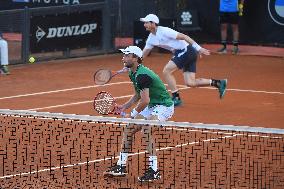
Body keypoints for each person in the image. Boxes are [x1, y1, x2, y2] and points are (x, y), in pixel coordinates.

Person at [103, 46, 174, 182]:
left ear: (135, 58)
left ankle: (154, 170)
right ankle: (121, 166)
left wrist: (132, 114)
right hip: (152, 104)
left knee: (146, 130)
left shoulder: (142, 75)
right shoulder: (132, 72)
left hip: (163, 106)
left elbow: (145, 100)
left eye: (126, 55)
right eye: (123, 55)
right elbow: (138, 94)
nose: (123, 58)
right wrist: (125, 106)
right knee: (129, 130)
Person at [140, 14, 227, 106]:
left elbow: (185, 37)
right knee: (190, 83)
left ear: (153, 23)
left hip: (186, 50)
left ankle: (176, 98)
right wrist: (131, 64)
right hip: (186, 53)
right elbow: (144, 54)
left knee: (167, 71)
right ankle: (218, 83)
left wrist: (199, 48)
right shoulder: (151, 38)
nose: (144, 24)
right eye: (144, 22)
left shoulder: (165, 31)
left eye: (146, 22)